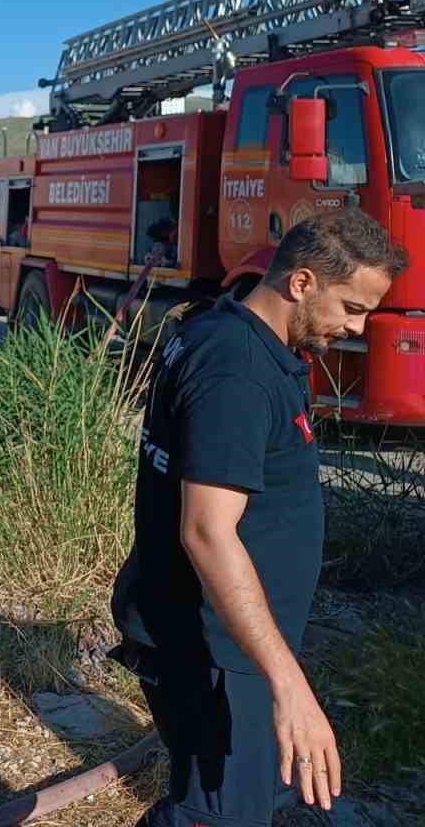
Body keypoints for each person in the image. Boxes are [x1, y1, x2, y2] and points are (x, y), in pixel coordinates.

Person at [111, 207, 408, 827]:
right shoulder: (236, 371)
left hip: (239, 647)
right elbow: (207, 531)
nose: (356, 327)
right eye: (352, 307)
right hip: (215, 651)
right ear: (302, 282)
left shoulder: (244, 339)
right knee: (214, 816)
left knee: (244, 799)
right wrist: (288, 683)